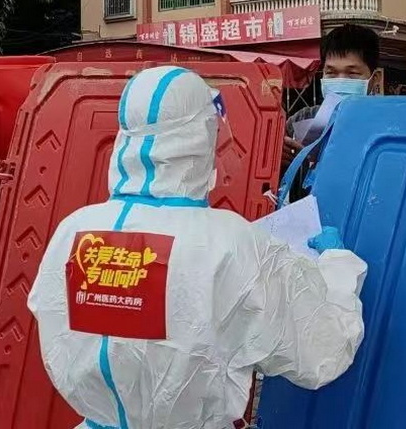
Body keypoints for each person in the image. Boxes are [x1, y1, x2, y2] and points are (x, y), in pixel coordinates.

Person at [28, 65, 367, 429]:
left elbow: (52, 318)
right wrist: (337, 265)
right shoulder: (230, 243)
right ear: (202, 136)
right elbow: (322, 349)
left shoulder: (74, 231)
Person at [281, 24, 381, 201]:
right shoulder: (301, 119)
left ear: (374, 79)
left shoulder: (386, 126)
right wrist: (278, 158)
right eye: (331, 73)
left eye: (352, 74)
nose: (340, 80)